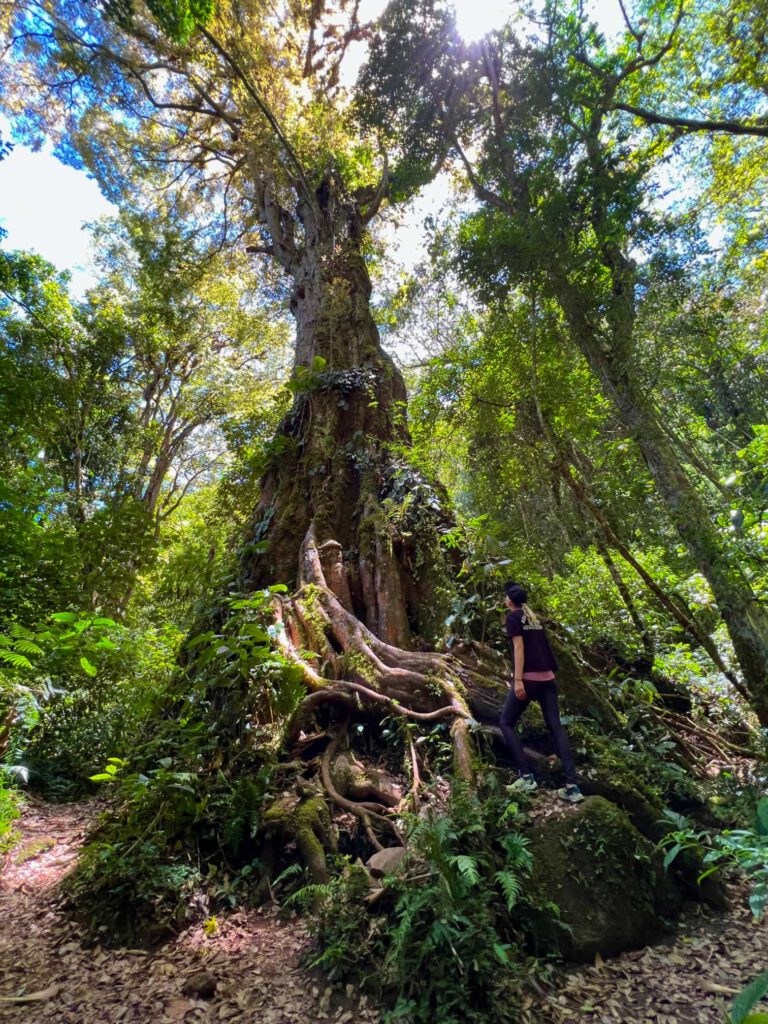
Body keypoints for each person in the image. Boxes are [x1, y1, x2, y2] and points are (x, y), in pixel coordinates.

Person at [499, 582, 583, 803]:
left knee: (506, 722)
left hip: (529, 679)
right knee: (556, 727)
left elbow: (519, 648)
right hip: (548, 679)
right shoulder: (532, 618)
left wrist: (518, 680)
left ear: (510, 601)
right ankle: (572, 786)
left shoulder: (513, 618)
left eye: (505, 597)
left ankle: (526, 776)